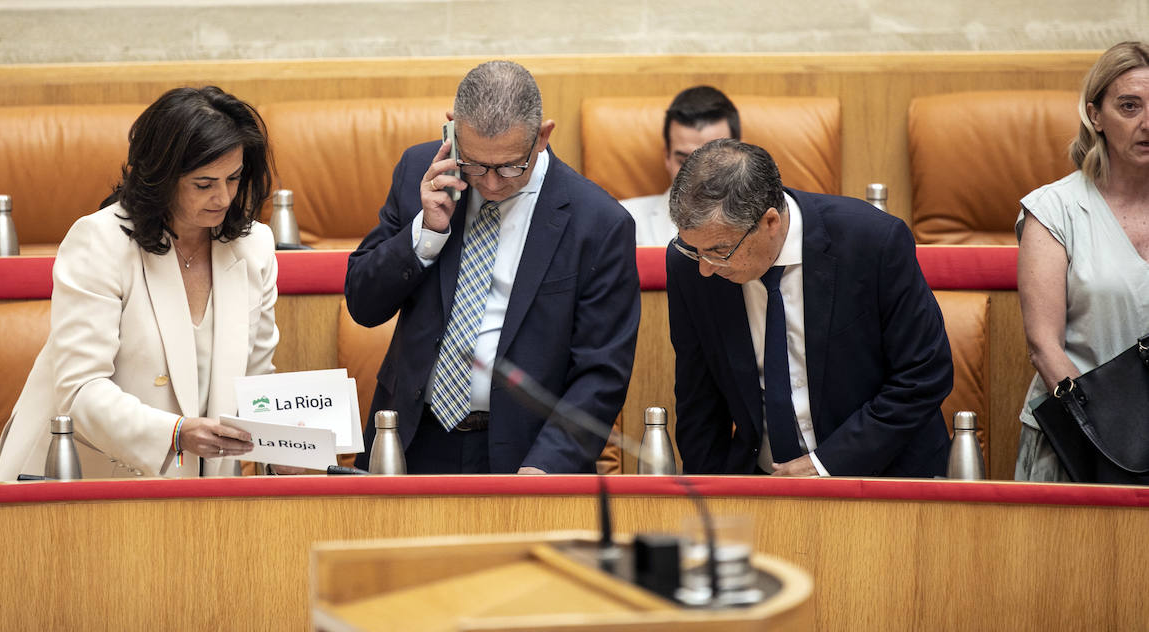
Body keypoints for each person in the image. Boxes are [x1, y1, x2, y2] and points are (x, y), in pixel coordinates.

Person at [345, 60, 641, 474]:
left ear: (542, 136)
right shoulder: (420, 172)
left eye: (509, 166)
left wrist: (547, 465)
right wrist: (425, 232)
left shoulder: (599, 223)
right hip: (413, 440)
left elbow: (601, 372)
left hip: (528, 453)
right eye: (475, 164)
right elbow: (363, 302)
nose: (491, 183)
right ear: (452, 129)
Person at [0, 86, 279, 481]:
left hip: (206, 493)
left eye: (233, 178)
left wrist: (286, 445)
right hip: (91, 484)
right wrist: (174, 434)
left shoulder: (254, 246)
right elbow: (81, 390)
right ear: (161, 177)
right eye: (203, 183)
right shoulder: (100, 241)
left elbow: (255, 382)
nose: (224, 197)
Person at [667, 138, 952, 477]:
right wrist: (709, 502)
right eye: (693, 249)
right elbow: (698, 400)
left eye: (719, 250)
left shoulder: (872, 242)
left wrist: (824, 465)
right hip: (763, 486)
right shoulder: (690, 264)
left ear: (770, 222)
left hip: (884, 479)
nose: (705, 267)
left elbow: (924, 375)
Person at [1015, 41, 1149, 482]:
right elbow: (1044, 347)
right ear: (1095, 115)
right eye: (1129, 107)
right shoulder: (1055, 209)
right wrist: (1110, 431)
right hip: (1081, 435)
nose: (1147, 123)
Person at [621, 86, 739, 246]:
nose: (700, 177)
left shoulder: (771, 223)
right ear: (667, 157)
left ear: (741, 156)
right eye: (684, 162)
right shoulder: (625, 221)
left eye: (715, 161)